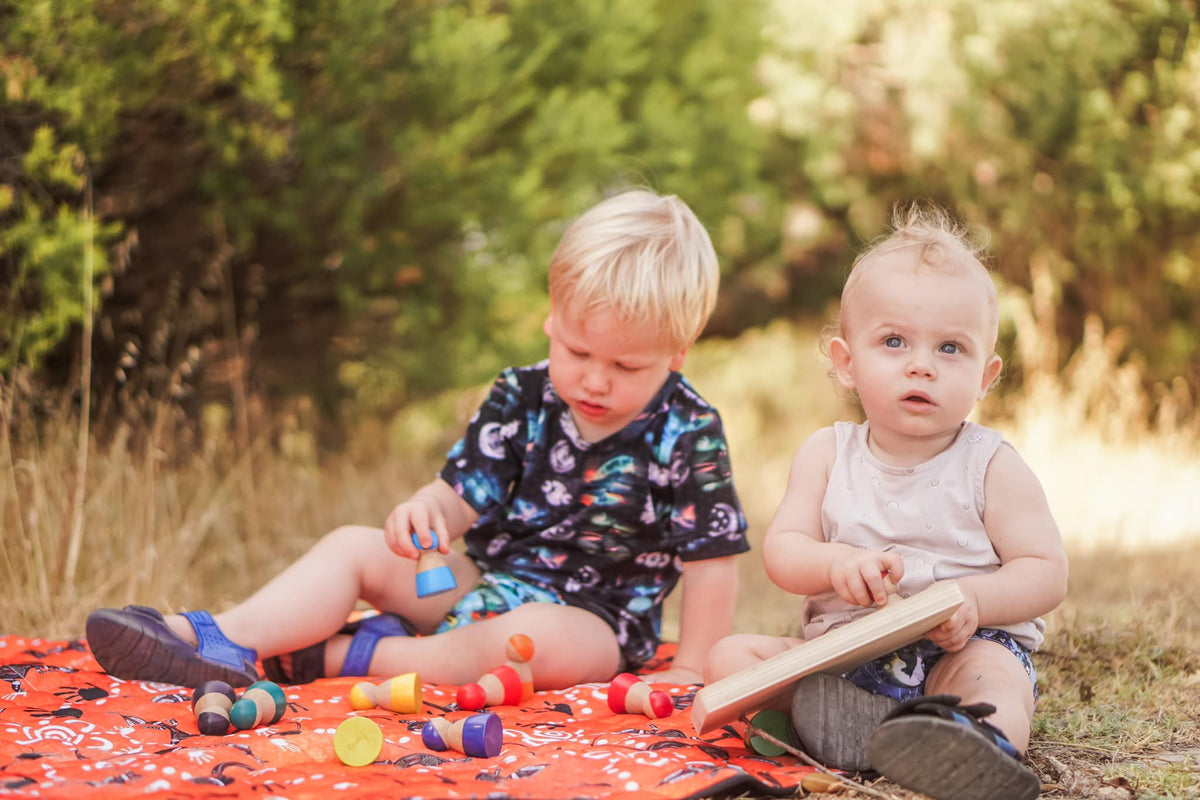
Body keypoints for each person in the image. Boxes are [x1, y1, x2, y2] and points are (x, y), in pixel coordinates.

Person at [87, 189, 750, 693]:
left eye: (627, 367)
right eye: (577, 351)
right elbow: (461, 496)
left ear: (678, 353)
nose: (596, 380)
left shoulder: (689, 431)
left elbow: (711, 561)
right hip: (482, 581)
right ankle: (220, 637)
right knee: (354, 546)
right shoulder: (522, 395)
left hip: (592, 622)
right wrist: (425, 515)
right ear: (551, 316)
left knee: (532, 641)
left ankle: (354, 656)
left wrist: (691, 666)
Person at [703, 201, 1068, 800]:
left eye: (951, 348)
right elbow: (784, 551)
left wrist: (973, 598)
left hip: (957, 649)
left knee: (994, 678)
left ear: (985, 375)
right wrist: (835, 564)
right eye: (894, 341)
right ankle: (856, 725)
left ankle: (976, 743)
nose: (921, 366)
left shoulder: (992, 465)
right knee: (728, 657)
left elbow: (1047, 572)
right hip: (845, 655)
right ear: (846, 363)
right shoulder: (826, 453)